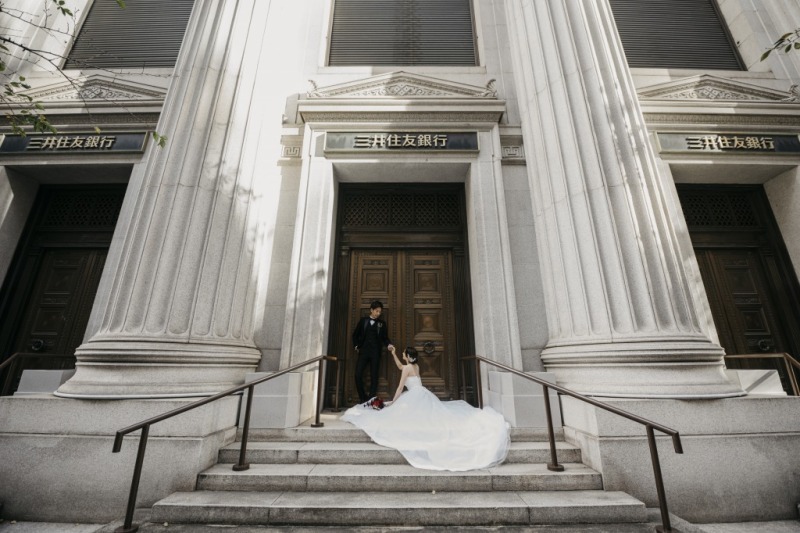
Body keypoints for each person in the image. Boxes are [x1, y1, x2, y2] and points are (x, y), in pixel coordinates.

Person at [341, 345, 510, 472]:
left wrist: (393, 402)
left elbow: (400, 387)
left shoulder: (408, 368)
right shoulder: (415, 367)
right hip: (422, 393)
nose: (402, 355)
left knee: (403, 415)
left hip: (413, 395)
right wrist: (393, 354)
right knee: (429, 415)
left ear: (408, 356)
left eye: (403, 354)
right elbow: (401, 367)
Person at [352, 300, 394, 403]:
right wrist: (356, 346)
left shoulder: (382, 323)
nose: (378, 313)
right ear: (371, 310)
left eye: (380, 312)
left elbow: (385, 338)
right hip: (364, 352)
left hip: (375, 353)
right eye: (376, 311)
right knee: (357, 374)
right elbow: (355, 335)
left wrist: (389, 344)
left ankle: (370, 399)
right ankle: (363, 398)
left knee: (374, 376)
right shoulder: (363, 321)